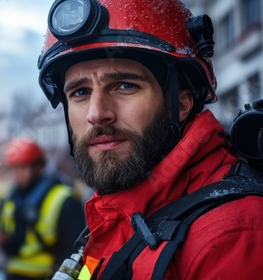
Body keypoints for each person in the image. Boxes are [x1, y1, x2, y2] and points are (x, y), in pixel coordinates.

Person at [37, 0, 263, 279]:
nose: (96, 114)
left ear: (180, 104)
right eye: (80, 92)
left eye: (124, 85)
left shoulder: (230, 235)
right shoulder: (115, 214)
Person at [0, 137, 86, 280]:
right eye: (14, 168)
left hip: (49, 274)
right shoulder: (9, 199)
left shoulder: (64, 198)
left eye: (22, 167)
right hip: (12, 274)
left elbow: (75, 248)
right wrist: (1, 238)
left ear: (38, 167)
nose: (18, 174)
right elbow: (7, 235)